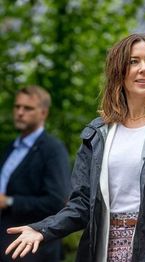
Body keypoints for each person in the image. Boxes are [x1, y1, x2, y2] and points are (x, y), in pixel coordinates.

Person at [4, 34, 145, 262]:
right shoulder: (98, 133)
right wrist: (42, 229)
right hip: (104, 248)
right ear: (118, 71)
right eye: (134, 61)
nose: (144, 68)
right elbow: (82, 204)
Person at [0, 86, 71, 262]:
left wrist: (9, 201)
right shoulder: (11, 148)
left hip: (34, 250)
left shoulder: (53, 150)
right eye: (17, 107)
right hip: (7, 246)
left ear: (43, 113)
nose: (20, 112)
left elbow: (56, 202)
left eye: (28, 108)